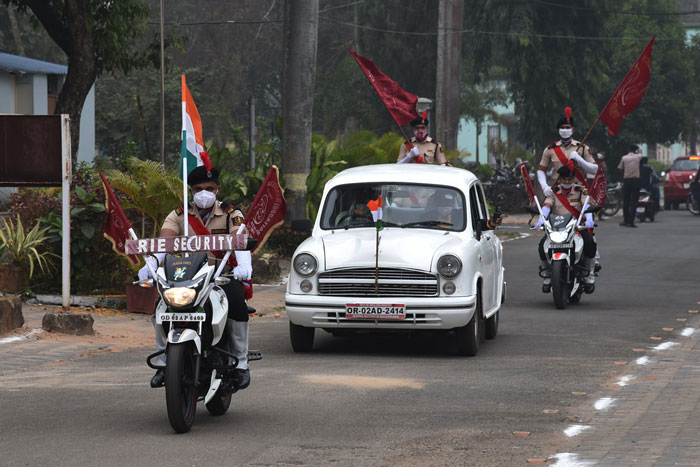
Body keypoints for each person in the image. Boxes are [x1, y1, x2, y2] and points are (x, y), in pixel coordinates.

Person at [138, 165, 253, 390]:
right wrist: (150, 263)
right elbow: (165, 242)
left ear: (217, 189)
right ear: (191, 191)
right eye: (198, 189)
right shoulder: (179, 215)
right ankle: (164, 364)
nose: (204, 193)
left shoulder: (231, 214)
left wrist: (244, 265)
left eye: (210, 188)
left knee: (237, 304)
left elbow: (241, 240)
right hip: (187, 276)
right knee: (161, 306)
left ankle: (240, 363)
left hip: (221, 275)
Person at [534, 164, 597, 293]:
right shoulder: (553, 192)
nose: (567, 182)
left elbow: (586, 206)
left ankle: (589, 276)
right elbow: (547, 205)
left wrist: (589, 218)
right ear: (560, 179)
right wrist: (541, 218)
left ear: (573, 179)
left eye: (569, 179)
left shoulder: (581, 190)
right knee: (541, 246)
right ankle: (547, 276)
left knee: (590, 244)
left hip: (577, 227)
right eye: (564, 179)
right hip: (557, 228)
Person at [536, 107, 599, 199]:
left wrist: (579, 160)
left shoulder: (582, 147)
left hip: (578, 192)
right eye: (562, 128)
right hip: (558, 192)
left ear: (573, 130)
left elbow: (594, 170)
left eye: (567, 127)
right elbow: (541, 170)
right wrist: (544, 186)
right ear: (558, 130)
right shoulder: (550, 149)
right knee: (546, 211)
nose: (564, 130)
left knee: (587, 212)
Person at [617, 144, 643, 227]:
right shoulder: (637, 157)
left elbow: (620, 168)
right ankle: (631, 222)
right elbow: (640, 153)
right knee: (634, 202)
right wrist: (638, 150)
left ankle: (625, 220)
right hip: (635, 181)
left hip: (627, 180)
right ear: (635, 150)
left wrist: (625, 173)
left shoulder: (624, 158)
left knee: (626, 201)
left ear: (628, 149)